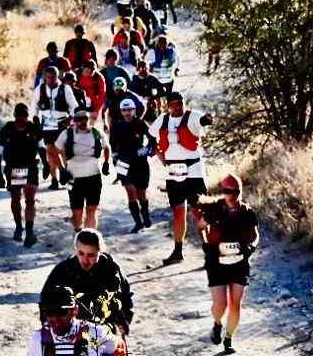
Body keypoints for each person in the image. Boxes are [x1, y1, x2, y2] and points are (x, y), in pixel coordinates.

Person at [196, 175, 260, 354]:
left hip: (239, 262)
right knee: (220, 304)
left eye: (233, 191)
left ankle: (229, 339)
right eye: (226, 191)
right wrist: (206, 245)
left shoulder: (247, 212)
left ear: (240, 192)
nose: (230, 195)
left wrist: (251, 247)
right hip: (216, 262)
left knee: (235, 303)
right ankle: (217, 324)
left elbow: (255, 235)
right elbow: (200, 226)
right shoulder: (215, 209)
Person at [153, 91, 214, 265]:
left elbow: (203, 120)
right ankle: (178, 251)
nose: (177, 106)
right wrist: (159, 154)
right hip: (173, 172)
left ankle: (210, 253)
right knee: (178, 212)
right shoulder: (163, 120)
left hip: (193, 171)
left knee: (199, 212)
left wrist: (207, 119)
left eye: (180, 103)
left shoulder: (192, 117)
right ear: (168, 105)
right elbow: (150, 137)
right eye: (173, 104)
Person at [42, 229, 134, 342]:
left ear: (100, 252)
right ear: (75, 250)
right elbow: (46, 301)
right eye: (81, 253)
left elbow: (125, 297)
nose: (85, 260)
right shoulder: (64, 270)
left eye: (91, 255)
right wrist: (49, 326)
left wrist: (124, 320)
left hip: (105, 327)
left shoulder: (111, 269)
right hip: (72, 329)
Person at [51, 109, 108, 231]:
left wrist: (106, 163)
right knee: (77, 214)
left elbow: (106, 147)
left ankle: (90, 236)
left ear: (89, 119)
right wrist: (61, 169)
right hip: (73, 178)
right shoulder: (67, 134)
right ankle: (78, 232)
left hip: (93, 176)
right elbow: (53, 152)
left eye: (85, 119)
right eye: (78, 120)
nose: (82, 122)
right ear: (74, 121)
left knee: (91, 210)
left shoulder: (96, 132)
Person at [0, 103, 45, 246]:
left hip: (30, 165)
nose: (21, 120)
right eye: (19, 116)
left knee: (30, 199)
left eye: (24, 116)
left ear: (27, 117)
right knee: (16, 197)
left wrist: (46, 163)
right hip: (15, 167)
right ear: (15, 116)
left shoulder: (33, 128)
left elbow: (41, 146)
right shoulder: (7, 129)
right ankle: (19, 226)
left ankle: (29, 231)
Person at [108, 96, 156, 232]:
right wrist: (115, 160)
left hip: (140, 161)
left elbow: (152, 139)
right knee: (130, 191)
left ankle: (146, 217)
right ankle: (138, 222)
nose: (127, 113)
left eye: (129, 110)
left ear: (134, 110)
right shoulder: (116, 126)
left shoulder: (140, 124)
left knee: (141, 193)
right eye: (124, 110)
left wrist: (147, 150)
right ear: (121, 112)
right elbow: (112, 145)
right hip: (123, 162)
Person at [29, 286, 119, 356]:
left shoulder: (96, 333)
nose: (55, 318)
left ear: (74, 311)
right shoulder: (37, 339)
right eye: (50, 312)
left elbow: (119, 350)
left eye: (61, 312)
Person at [34, 66, 79, 189]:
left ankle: (69, 176)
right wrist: (36, 118)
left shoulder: (65, 89)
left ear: (57, 76)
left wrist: (71, 118)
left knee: (63, 151)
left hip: (62, 123)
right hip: (47, 124)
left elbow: (74, 106)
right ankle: (56, 177)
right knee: (50, 151)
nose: (50, 79)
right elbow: (35, 106)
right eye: (48, 77)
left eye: (53, 77)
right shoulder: (40, 89)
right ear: (45, 77)